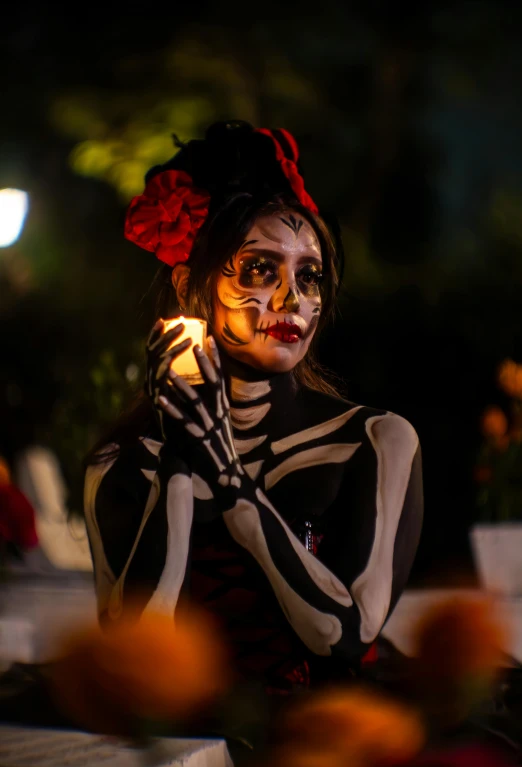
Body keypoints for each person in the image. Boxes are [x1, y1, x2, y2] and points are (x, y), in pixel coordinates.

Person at [84, 121, 423, 692]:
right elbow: (132, 666)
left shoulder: (377, 441)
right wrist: (179, 467)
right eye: (260, 269)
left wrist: (231, 484)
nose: (292, 300)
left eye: (310, 277)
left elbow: (346, 636)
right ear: (192, 286)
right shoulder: (119, 463)